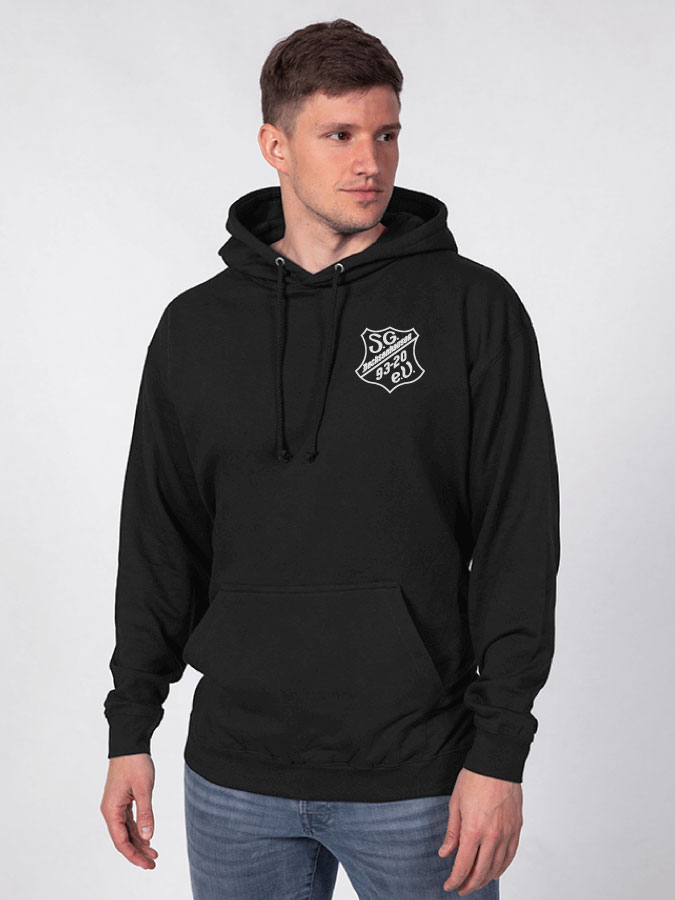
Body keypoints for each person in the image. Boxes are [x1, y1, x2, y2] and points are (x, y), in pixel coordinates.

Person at [99, 18, 560, 899]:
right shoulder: (196, 328)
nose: (370, 162)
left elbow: (517, 537)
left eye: (386, 134)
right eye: (339, 135)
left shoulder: (472, 308)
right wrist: (131, 727)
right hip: (233, 775)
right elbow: (159, 537)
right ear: (275, 146)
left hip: (421, 776)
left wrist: (499, 753)